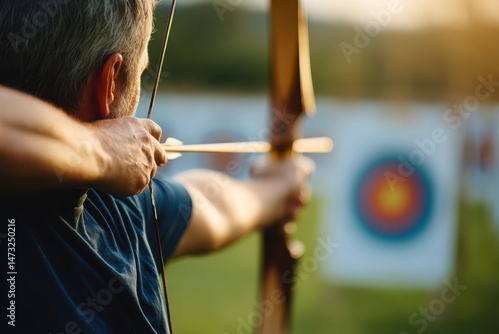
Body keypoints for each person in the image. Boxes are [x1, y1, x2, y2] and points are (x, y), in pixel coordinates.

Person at [0, 1, 313, 333]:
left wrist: (277, 187)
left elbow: (211, 206)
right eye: (141, 72)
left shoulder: (111, 207)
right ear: (109, 82)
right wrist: (104, 149)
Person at [0, 85, 167, 196]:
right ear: (109, 84)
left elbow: (193, 195)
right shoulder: (116, 203)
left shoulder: (119, 198)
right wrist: (105, 147)